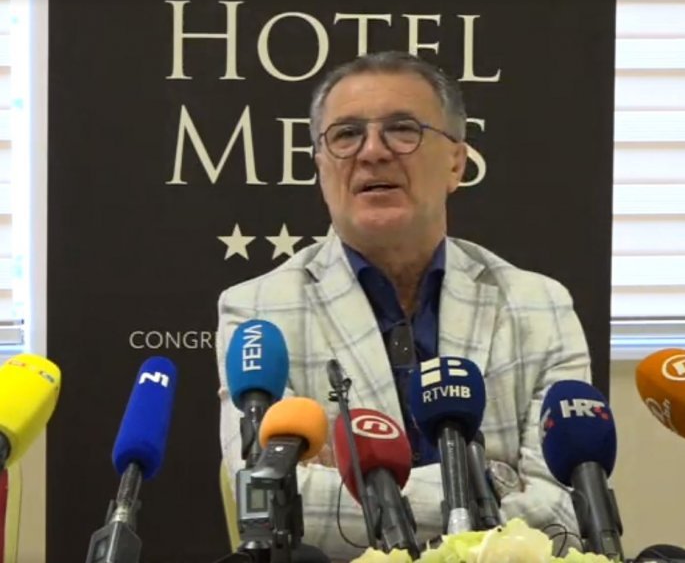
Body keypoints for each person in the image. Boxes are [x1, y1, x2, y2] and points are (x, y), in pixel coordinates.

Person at [216, 50, 592, 561]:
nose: (372, 151)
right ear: (321, 165)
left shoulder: (538, 305)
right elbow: (273, 503)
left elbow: (566, 513)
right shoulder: (259, 309)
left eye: (402, 130)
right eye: (346, 135)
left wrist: (357, 484)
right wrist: (491, 483)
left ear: (456, 162)